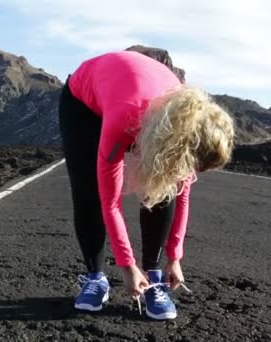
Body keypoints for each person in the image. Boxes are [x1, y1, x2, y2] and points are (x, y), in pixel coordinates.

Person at [58, 50, 235, 320]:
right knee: (88, 191)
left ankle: (153, 277)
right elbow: (111, 202)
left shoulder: (191, 125)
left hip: (140, 99)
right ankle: (95, 277)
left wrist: (174, 258)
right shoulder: (123, 119)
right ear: (178, 146)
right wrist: (127, 265)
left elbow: (182, 195)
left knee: (164, 188)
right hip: (83, 103)